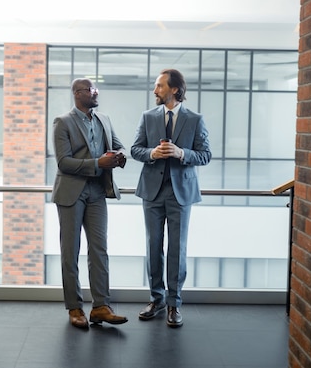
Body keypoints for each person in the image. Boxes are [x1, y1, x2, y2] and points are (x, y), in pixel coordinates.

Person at [131, 68, 211, 327]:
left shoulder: (195, 119)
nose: (155, 91)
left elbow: (205, 155)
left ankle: (174, 304)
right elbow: (135, 149)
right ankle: (157, 299)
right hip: (152, 192)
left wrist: (181, 153)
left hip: (181, 193)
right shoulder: (147, 116)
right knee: (153, 247)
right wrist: (152, 154)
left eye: (160, 86)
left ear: (175, 89)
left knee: (177, 249)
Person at [52, 77, 129, 329]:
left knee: (99, 250)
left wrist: (119, 156)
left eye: (96, 89)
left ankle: (100, 307)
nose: (95, 93)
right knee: (70, 252)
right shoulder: (63, 122)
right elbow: (64, 162)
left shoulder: (104, 119)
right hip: (71, 193)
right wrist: (98, 163)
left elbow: (119, 146)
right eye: (90, 90)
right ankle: (74, 307)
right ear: (77, 93)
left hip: (97, 192)